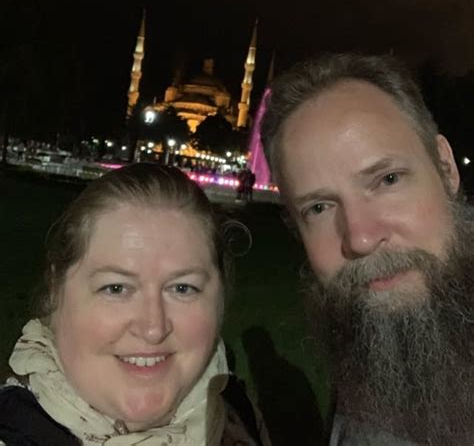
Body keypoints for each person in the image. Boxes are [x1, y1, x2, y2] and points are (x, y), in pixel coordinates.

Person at [260, 53, 474, 445]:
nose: (360, 238)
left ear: (445, 168)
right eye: (319, 208)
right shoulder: (374, 355)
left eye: (388, 180)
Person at [0, 163, 269, 445]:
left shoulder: (241, 415)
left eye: (182, 288)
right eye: (116, 289)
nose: (153, 328)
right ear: (56, 292)